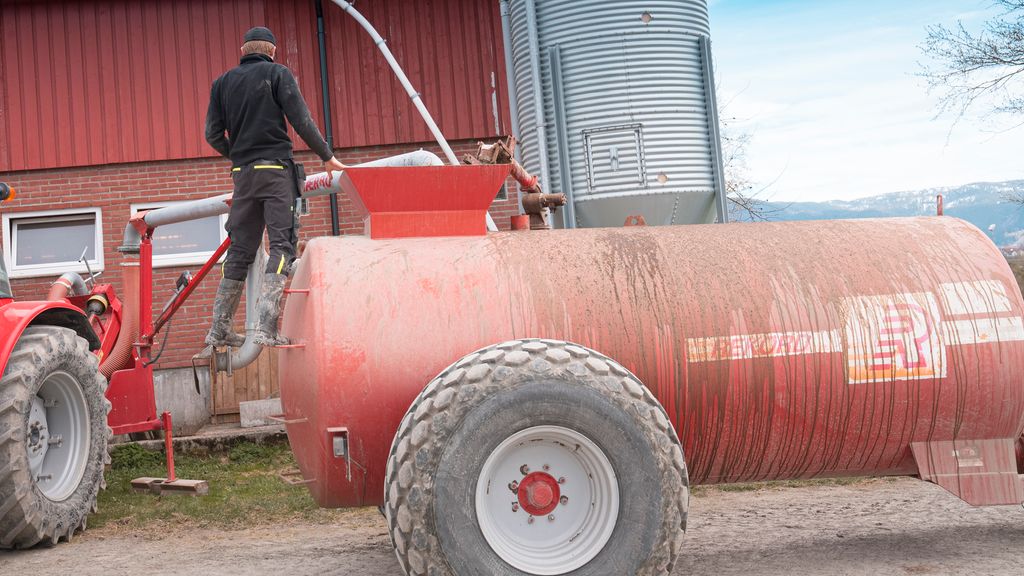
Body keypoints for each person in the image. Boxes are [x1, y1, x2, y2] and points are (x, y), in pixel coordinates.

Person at [204, 26, 345, 347]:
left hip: (243, 176)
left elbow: (212, 135)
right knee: (282, 246)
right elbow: (301, 120)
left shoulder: (221, 84)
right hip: (275, 173)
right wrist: (327, 157)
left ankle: (218, 329)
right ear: (272, 52)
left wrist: (239, 156)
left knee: (240, 250)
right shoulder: (277, 74)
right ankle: (267, 328)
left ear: (243, 52)